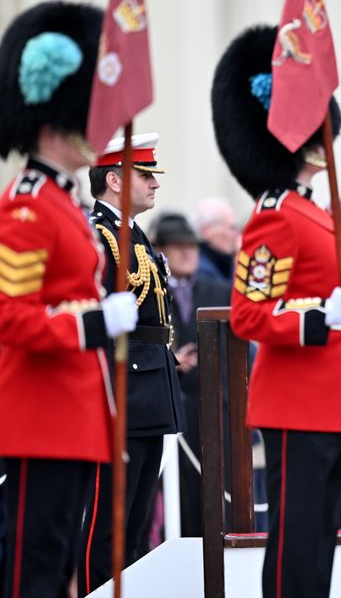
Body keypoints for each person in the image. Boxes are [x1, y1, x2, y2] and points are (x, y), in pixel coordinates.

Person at [211, 24, 341, 597]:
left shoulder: (313, 212)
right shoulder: (275, 215)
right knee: (295, 549)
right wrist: (321, 317)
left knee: (317, 549)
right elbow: (249, 315)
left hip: (330, 404)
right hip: (297, 406)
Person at [0, 0, 138, 597]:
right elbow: (12, 315)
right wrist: (94, 324)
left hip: (77, 416)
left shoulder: (63, 204)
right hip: (40, 420)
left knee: (56, 573)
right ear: (55, 123)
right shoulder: (27, 204)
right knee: (34, 570)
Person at [79, 134, 186, 595]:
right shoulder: (99, 235)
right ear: (115, 179)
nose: (155, 185)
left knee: (137, 522)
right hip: (121, 388)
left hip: (150, 384)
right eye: (146, 176)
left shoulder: (131, 233)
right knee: (110, 525)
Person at [149, 212, 233, 537]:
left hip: (215, 408)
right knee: (174, 501)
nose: (187, 252)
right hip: (171, 411)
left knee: (217, 500)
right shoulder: (152, 292)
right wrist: (172, 365)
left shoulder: (219, 290)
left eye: (192, 246)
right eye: (177, 246)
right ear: (161, 250)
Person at [193, 197, 239, 284]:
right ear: (206, 230)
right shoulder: (201, 271)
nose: (236, 235)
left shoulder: (223, 263)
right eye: (231, 228)